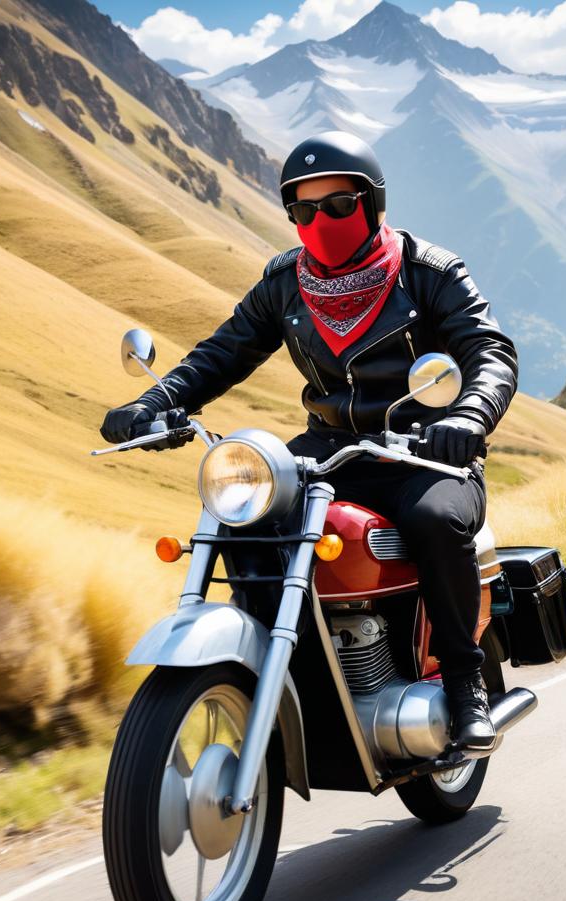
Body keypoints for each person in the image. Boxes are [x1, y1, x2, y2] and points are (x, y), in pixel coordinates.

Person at [101, 131, 518, 750]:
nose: (320, 221)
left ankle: (463, 684)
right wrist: (156, 402)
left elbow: (489, 352)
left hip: (424, 455)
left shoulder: (428, 272)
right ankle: (267, 668)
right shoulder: (285, 284)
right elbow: (223, 354)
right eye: (304, 209)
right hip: (329, 453)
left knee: (435, 519)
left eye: (338, 205)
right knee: (243, 514)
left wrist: (467, 419)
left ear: (371, 203)